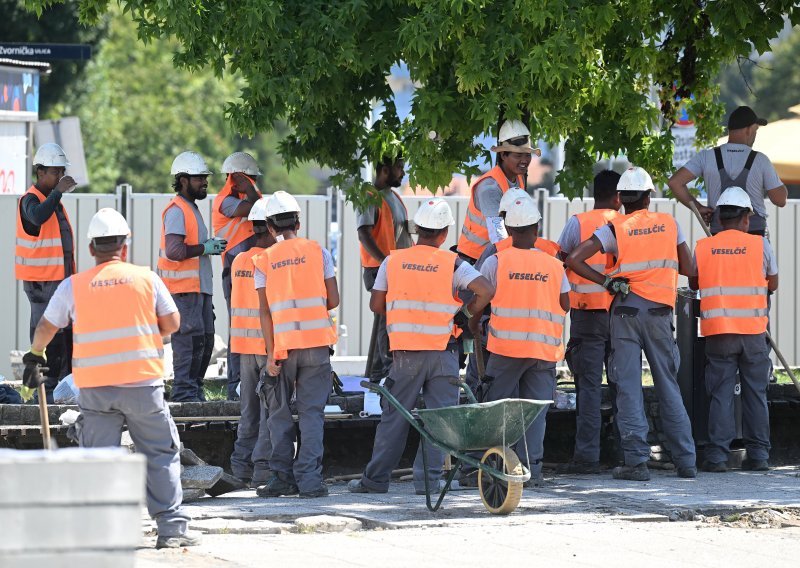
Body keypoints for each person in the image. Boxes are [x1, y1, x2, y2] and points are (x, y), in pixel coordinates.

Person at [21, 208, 199, 549]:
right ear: (125, 246)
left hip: (96, 390)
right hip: (142, 386)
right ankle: (172, 532)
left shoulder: (76, 285)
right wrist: (152, 331)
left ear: (91, 249)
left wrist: (36, 354)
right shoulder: (146, 278)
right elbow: (173, 322)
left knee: (99, 460)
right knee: (160, 455)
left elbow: (46, 325)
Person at [348, 198, 494, 495]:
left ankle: (375, 481)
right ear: (443, 234)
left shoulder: (393, 260)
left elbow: (377, 304)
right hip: (443, 352)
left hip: (405, 356)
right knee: (441, 419)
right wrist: (465, 315)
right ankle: (428, 481)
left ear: (417, 230)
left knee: (395, 417)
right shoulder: (453, 263)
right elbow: (486, 290)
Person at [566, 166, 697, 481]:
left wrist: (607, 282)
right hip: (659, 314)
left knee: (628, 389)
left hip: (624, 312)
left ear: (621, 198)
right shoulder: (670, 225)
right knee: (668, 385)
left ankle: (636, 462)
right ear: (650, 197)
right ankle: (686, 461)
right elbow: (690, 268)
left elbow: (573, 259)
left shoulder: (615, 228)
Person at [462, 194, 569, 488]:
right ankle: (531, 470)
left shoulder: (496, 261)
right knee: (534, 412)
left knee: (493, 411)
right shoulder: (554, 265)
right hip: (543, 352)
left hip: (505, 349)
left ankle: (482, 468)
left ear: (508, 231)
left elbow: (478, 301)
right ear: (537, 228)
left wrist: (472, 326)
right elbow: (566, 303)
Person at [253, 191, 339, 499]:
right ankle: (310, 482)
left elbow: (264, 311)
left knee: (278, 414)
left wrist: (270, 353)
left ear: (270, 227)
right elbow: (334, 299)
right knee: (312, 414)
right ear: (298, 222)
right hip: (317, 346)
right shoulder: (319, 252)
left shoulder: (263, 260)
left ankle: (282, 477)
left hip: (283, 348)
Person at [689, 186, 778, 473]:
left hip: (719, 333)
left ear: (719, 219)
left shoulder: (703, 246)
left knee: (721, 394)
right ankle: (759, 455)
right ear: (746, 219)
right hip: (753, 332)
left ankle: (716, 457)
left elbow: (693, 283)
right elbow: (773, 284)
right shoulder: (761, 245)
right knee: (756, 393)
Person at [556, 170, 622, 474]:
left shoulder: (578, 222)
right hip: (621, 316)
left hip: (586, 315)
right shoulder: (625, 225)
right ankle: (626, 454)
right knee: (625, 386)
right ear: (619, 196)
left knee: (589, 388)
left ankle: (587, 458)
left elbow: (560, 261)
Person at [157, 151, 227, 402]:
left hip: (198, 289)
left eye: (204, 177)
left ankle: (193, 390)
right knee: (188, 341)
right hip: (183, 290)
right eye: (199, 178)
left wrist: (206, 245)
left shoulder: (190, 208)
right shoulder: (177, 210)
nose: (205, 182)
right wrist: (205, 248)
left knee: (205, 340)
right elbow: (174, 251)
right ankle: (184, 393)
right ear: (183, 180)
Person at [15, 143, 77, 402]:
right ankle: (42, 394)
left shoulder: (53, 201)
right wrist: (58, 193)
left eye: (62, 172)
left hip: (58, 282)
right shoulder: (30, 200)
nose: (60, 177)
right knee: (47, 336)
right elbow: (38, 217)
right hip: (41, 284)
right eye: (55, 172)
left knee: (63, 336)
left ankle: (58, 390)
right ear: (40, 172)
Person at [668, 105, 787, 236]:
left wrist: (699, 208)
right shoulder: (760, 160)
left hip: (719, 233)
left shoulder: (707, 157)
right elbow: (780, 200)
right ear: (748, 130)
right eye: (755, 131)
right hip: (754, 234)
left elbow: (675, 182)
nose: (755, 136)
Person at [229, 197, 275, 487]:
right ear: (271, 228)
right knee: (270, 414)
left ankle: (239, 467)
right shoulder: (271, 261)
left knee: (249, 411)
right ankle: (262, 471)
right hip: (267, 347)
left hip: (244, 348)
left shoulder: (238, 260)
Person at [356, 153, 413, 382]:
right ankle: (384, 371)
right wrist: (384, 262)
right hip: (379, 269)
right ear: (385, 170)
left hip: (395, 269)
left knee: (387, 317)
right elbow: (364, 233)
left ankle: (378, 371)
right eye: (399, 167)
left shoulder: (394, 197)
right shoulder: (369, 196)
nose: (403, 172)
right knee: (387, 316)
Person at [212, 152, 263, 400]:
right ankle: (235, 387)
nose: (253, 183)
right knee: (239, 328)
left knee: (257, 325)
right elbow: (253, 208)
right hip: (234, 272)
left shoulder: (250, 197)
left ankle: (253, 382)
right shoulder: (225, 201)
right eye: (249, 178)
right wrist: (248, 188)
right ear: (236, 177)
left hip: (251, 271)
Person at [457, 120, 540, 262]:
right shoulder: (489, 187)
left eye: (527, 154)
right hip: (475, 260)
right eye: (518, 155)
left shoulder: (519, 178)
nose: (524, 160)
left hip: (496, 255)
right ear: (503, 155)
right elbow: (498, 235)